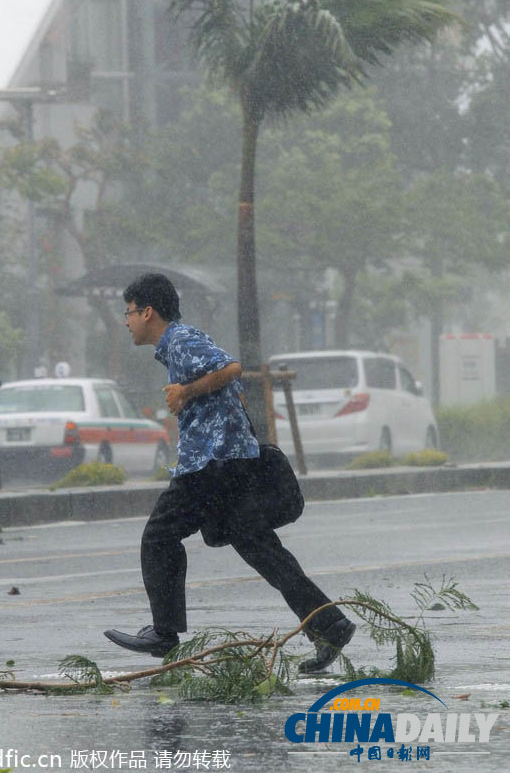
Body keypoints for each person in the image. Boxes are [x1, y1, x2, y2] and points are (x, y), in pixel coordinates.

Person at [104, 273, 355, 673]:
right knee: (258, 546)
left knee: (159, 535)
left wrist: (186, 392)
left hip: (211, 463)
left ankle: (164, 632)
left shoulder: (181, 341)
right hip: (230, 460)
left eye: (129, 312)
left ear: (147, 311)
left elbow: (232, 368)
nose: (126, 320)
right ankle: (330, 624)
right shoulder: (176, 346)